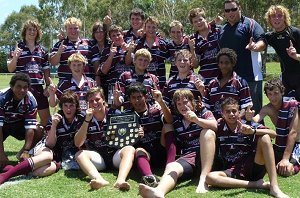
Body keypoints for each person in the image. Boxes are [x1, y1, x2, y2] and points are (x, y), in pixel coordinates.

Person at [139, 89, 217, 197]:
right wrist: (161, 102)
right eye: (179, 103)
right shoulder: (177, 120)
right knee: (172, 166)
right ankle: (158, 192)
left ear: (192, 102)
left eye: (185, 102)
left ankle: (203, 180)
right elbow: (168, 123)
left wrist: (197, 120)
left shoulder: (203, 112)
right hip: (189, 158)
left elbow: (215, 126)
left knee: (207, 132)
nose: (182, 106)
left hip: (208, 156)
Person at [206, 97, 289, 198]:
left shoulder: (246, 123)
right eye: (228, 111)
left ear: (239, 112)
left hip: (253, 167)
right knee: (210, 178)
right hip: (232, 170)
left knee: (265, 138)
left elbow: (273, 134)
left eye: (234, 111)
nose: (231, 114)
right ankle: (256, 184)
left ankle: (274, 187)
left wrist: (253, 131)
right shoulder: (218, 125)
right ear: (222, 114)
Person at [0, 90, 83, 184]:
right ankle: (5, 176)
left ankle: (12, 168)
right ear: (61, 106)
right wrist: (54, 126)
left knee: (48, 168)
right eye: (65, 105)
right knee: (47, 156)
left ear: (76, 106)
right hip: (48, 148)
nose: (68, 109)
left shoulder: (81, 118)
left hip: (62, 155)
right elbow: (50, 144)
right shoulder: (55, 118)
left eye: (71, 105)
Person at [74, 87, 137, 190]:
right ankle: (98, 179)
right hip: (98, 158)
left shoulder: (114, 113)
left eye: (97, 99)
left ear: (103, 99)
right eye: (91, 101)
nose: (94, 102)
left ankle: (120, 180)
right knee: (79, 154)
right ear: (87, 103)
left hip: (115, 155)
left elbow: (128, 134)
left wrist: (137, 132)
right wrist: (86, 121)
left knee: (129, 149)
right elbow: (78, 143)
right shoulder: (83, 117)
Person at [219, 0, 266, 114]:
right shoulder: (222, 29)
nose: (231, 12)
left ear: (240, 8)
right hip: (229, 80)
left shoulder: (250, 23)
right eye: (227, 10)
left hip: (250, 78)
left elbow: (262, 42)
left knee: (254, 114)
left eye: (233, 9)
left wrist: (255, 47)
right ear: (224, 12)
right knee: (234, 114)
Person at [124, 82, 172, 187]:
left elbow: (170, 120)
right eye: (133, 98)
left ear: (145, 97)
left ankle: (170, 167)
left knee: (168, 127)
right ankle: (149, 177)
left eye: (139, 97)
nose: (137, 101)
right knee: (139, 150)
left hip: (161, 147)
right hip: (145, 153)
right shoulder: (126, 114)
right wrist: (133, 134)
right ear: (129, 99)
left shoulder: (156, 108)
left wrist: (161, 102)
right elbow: (123, 141)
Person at [249, 78, 300, 176]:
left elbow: (293, 132)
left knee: (287, 171)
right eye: (270, 94)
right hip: (279, 146)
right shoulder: (267, 109)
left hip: (296, 145)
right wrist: (249, 117)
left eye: (276, 93)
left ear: (282, 92)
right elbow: (255, 120)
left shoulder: (293, 105)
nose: (273, 98)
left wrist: (285, 159)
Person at [7, 19, 51, 126]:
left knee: (46, 120)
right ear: (25, 31)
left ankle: (39, 140)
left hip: (38, 88)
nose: (32, 32)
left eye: (35, 30)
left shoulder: (43, 50)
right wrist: (15, 57)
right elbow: (10, 69)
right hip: (21, 89)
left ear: (38, 32)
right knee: (21, 121)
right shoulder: (17, 48)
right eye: (29, 29)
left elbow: (46, 70)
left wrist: (48, 85)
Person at [0, 73, 43, 166]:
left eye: (25, 87)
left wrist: (26, 150)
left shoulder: (31, 100)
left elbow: (30, 128)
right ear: (11, 86)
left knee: (39, 130)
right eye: (18, 86)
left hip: (18, 125)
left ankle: (21, 154)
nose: (22, 90)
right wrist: (1, 153)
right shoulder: (1, 98)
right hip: (4, 126)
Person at [203, 48, 252, 119]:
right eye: (221, 63)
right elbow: (206, 107)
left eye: (227, 63)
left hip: (235, 122)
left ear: (233, 63)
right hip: (215, 123)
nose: (223, 66)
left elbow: (246, 107)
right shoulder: (211, 84)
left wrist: (235, 119)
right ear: (218, 64)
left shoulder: (241, 82)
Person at [264, 5, 300, 100]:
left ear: (285, 18)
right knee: (286, 109)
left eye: (280, 15)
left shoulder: (295, 33)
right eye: (273, 16)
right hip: (286, 79)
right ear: (269, 19)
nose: (276, 18)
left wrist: (296, 56)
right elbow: (259, 41)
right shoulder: (270, 36)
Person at [129, 16, 169, 88]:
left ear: (157, 28)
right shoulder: (137, 43)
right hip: (140, 81)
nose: (151, 29)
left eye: (153, 27)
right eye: (149, 27)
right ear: (145, 27)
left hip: (159, 82)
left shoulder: (163, 44)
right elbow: (130, 61)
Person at [98, 25, 133, 105]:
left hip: (129, 84)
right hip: (112, 86)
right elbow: (103, 71)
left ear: (122, 35)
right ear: (110, 38)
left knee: (129, 108)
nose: (117, 37)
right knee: (113, 109)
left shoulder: (131, 46)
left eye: (118, 34)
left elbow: (128, 62)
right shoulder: (106, 50)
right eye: (113, 36)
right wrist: (111, 55)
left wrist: (128, 51)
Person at [188, 8, 222, 85]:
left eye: (200, 19)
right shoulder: (193, 39)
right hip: (205, 80)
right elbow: (195, 65)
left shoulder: (218, 30)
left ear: (205, 19)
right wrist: (192, 49)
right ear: (192, 24)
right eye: (195, 21)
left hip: (223, 77)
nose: (198, 23)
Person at [90, 21, 111, 87]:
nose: (99, 35)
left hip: (110, 78)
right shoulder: (91, 45)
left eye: (101, 32)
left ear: (105, 33)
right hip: (95, 78)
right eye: (96, 32)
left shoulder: (110, 44)